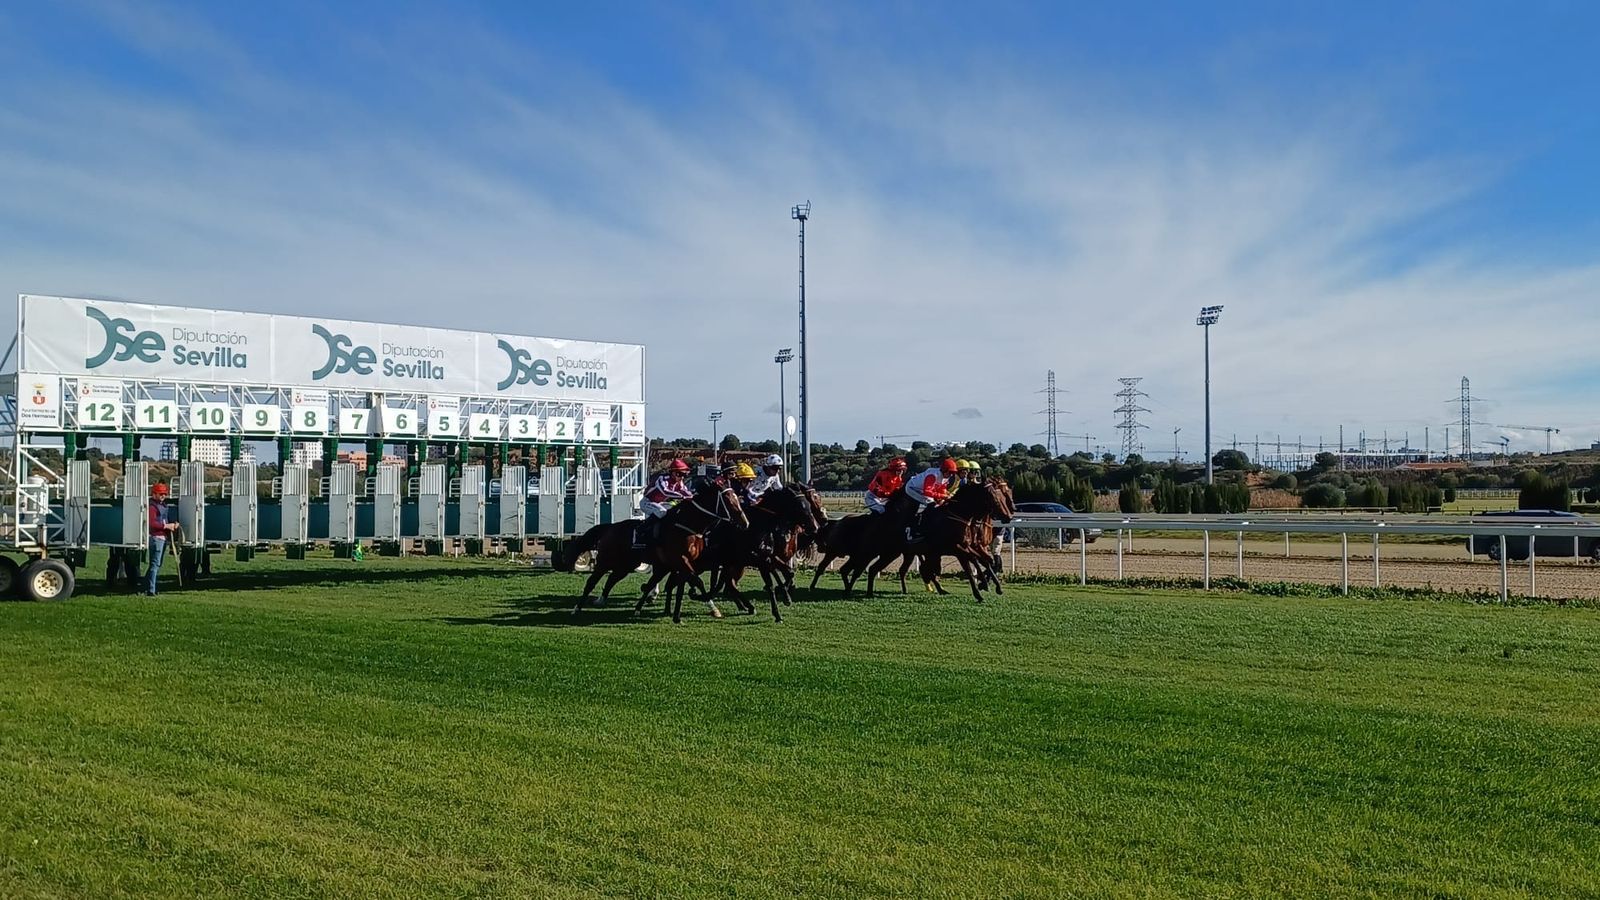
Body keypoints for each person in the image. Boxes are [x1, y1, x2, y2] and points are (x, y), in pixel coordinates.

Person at [636, 459, 694, 547]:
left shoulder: (680, 482)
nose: (682, 477)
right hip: (647, 502)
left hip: (660, 503)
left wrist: (693, 497)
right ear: (673, 473)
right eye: (680, 474)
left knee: (675, 508)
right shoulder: (662, 479)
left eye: (684, 475)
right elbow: (665, 492)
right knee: (661, 511)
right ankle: (640, 530)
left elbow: (685, 491)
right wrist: (683, 497)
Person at [904, 458, 959, 542]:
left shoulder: (946, 475)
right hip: (913, 488)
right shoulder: (933, 475)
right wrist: (943, 496)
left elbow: (942, 488)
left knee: (938, 504)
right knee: (930, 504)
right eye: (950, 472)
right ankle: (915, 531)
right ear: (944, 470)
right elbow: (927, 492)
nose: (951, 475)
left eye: (953, 473)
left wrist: (945, 496)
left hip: (923, 489)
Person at [144, 482, 178, 596]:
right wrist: (166, 526)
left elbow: (165, 519)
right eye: (161, 494)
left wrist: (173, 524)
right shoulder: (152, 507)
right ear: (154, 494)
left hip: (162, 538)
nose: (163, 496)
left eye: (164, 493)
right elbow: (152, 524)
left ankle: (146, 586)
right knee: (155, 564)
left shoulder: (163, 506)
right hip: (156, 538)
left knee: (156, 564)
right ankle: (151, 590)